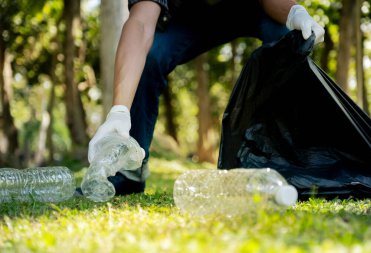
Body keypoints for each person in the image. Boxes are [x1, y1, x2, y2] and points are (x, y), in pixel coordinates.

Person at [87, 0, 325, 195]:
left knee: (287, 37)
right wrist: (119, 111)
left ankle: (292, 162)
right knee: (150, 57)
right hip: (187, 19)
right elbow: (140, 23)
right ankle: (130, 174)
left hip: (249, 10)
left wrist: (295, 12)